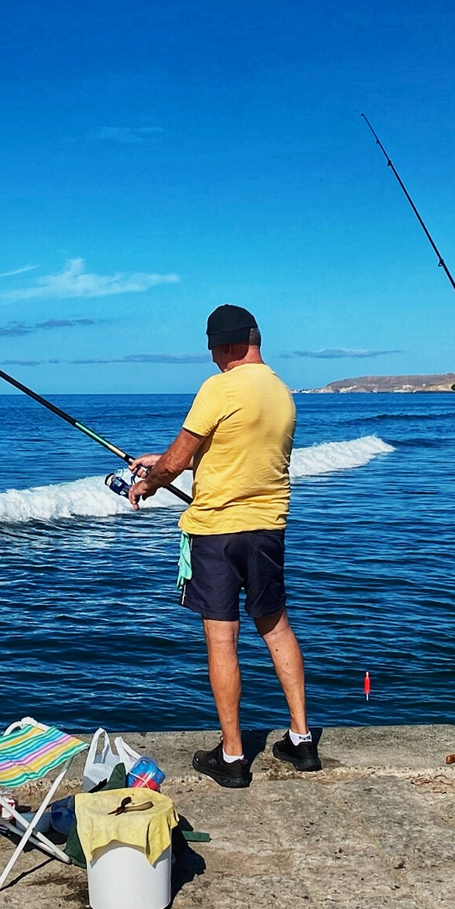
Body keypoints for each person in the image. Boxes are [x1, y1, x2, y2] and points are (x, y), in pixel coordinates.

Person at [127, 305, 317, 788]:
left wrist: (149, 481)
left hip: (216, 533)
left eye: (213, 348)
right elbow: (236, 456)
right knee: (276, 628)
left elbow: (179, 457)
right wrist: (165, 461)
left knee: (222, 639)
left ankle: (233, 757)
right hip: (268, 529)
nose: (211, 358)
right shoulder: (280, 391)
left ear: (229, 345)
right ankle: (301, 740)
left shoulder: (220, 387)